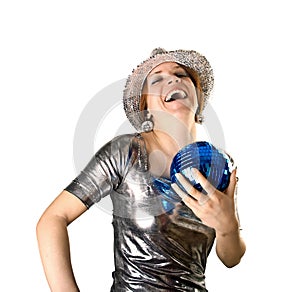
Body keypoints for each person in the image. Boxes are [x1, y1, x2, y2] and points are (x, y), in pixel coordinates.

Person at [36, 47, 246, 291]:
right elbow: (52, 220)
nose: (173, 78)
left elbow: (231, 258)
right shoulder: (125, 152)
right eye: (157, 79)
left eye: (181, 74)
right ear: (146, 107)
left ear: (197, 96)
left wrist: (228, 226)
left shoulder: (217, 163)